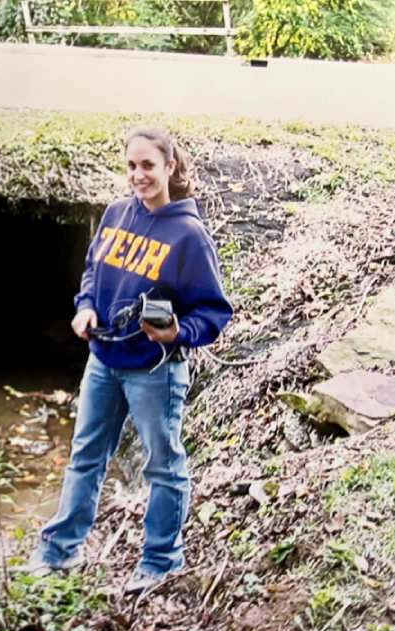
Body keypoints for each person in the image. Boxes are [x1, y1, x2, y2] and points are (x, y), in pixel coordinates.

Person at [26, 128, 233, 594]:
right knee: (85, 457)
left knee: (162, 466)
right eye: (131, 166)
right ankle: (61, 552)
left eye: (148, 166)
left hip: (155, 371)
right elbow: (93, 271)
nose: (138, 176)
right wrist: (85, 307)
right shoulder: (116, 213)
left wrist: (178, 331)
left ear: (170, 168)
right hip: (103, 359)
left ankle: (160, 562)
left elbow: (215, 312)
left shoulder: (188, 235)